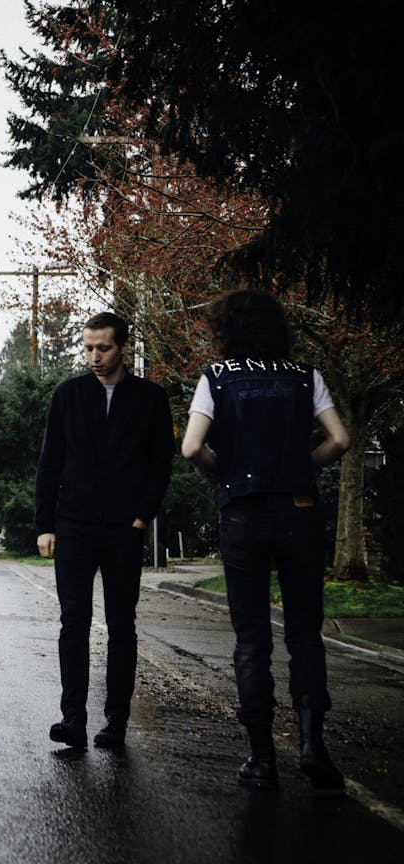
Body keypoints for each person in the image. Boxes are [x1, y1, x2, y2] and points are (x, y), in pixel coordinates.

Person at [180, 290, 350, 790]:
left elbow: (191, 446)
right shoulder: (305, 376)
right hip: (299, 510)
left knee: (252, 638)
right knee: (304, 632)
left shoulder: (217, 378)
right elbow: (339, 439)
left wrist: (224, 475)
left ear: (227, 330)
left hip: (244, 516)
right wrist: (303, 468)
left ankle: (261, 756)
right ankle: (312, 743)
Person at [34, 311, 174, 750]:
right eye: (88, 348)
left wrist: (141, 516)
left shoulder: (150, 398)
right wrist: (45, 525)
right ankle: (72, 717)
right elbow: (50, 462)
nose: (94, 356)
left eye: (103, 348)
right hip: (73, 525)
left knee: (121, 625)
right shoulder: (69, 395)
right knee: (73, 621)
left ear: (123, 347)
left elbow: (160, 463)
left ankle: (116, 721)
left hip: (122, 529)